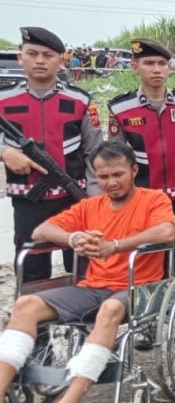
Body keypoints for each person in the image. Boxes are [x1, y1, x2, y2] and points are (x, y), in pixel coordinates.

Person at [0, 141, 175, 403]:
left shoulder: (154, 200)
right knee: (25, 305)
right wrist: (74, 239)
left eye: (118, 174)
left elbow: (166, 231)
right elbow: (40, 230)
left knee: (110, 309)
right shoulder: (89, 206)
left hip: (139, 287)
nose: (111, 182)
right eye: (103, 177)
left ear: (134, 170)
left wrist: (114, 246)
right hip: (92, 286)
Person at [0, 27, 102, 283]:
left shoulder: (81, 101)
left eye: (48, 55)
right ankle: (34, 319)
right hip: (28, 200)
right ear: (20, 58)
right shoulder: (4, 100)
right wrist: (5, 153)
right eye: (32, 53)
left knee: (82, 264)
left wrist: (95, 200)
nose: (40, 60)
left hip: (74, 199)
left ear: (61, 60)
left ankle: (80, 319)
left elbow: (95, 153)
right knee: (31, 267)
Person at [107, 38, 175, 288]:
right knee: (146, 265)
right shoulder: (120, 108)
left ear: (169, 67)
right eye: (149, 63)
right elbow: (116, 159)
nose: (157, 69)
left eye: (162, 63)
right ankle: (151, 321)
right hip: (143, 201)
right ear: (135, 67)